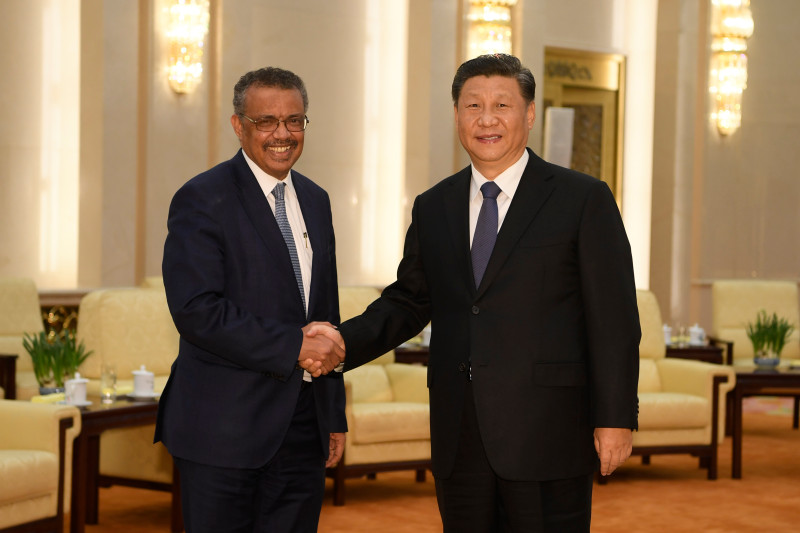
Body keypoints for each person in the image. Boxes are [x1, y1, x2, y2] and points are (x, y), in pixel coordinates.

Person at [311, 54, 640, 532]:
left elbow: (613, 320)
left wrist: (615, 417)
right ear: (457, 115)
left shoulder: (582, 199)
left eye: (502, 105)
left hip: (547, 434)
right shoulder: (434, 205)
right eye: (472, 106)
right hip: (459, 435)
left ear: (529, 115)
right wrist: (341, 343)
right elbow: (407, 301)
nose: (487, 119)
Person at [155, 66, 346, 533]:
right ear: (239, 125)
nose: (282, 134)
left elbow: (325, 314)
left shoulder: (316, 200)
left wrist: (333, 414)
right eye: (267, 121)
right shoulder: (202, 198)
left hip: (303, 428)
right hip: (223, 430)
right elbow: (197, 310)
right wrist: (292, 347)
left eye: (294, 120)